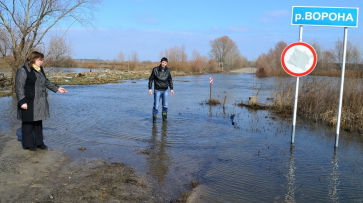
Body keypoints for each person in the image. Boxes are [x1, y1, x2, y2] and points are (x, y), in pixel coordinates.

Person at [15, 51, 68, 151]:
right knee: (28, 123)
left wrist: (57, 89)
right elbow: (19, 87)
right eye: (40, 60)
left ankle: (39, 143)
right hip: (28, 101)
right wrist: (22, 101)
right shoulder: (23, 70)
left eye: (42, 60)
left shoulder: (40, 69)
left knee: (38, 122)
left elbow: (45, 81)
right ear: (34, 59)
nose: (42, 62)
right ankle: (29, 144)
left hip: (39, 101)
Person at [148, 57, 174, 123]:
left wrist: (171, 89)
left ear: (166, 63)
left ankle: (164, 122)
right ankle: (154, 122)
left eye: (165, 63)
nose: (163, 64)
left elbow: (170, 79)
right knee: (156, 106)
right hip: (157, 90)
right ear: (161, 62)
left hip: (165, 90)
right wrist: (150, 88)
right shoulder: (155, 69)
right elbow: (151, 79)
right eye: (163, 62)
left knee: (165, 106)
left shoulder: (168, 70)